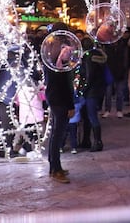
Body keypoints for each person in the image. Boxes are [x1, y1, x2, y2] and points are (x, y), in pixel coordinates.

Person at [43, 24, 76, 183]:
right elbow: (64, 83)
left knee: (56, 133)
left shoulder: (50, 49)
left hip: (53, 95)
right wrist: (70, 105)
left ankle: (55, 167)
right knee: (58, 134)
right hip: (60, 98)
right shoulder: (61, 53)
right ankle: (55, 169)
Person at [102, 34, 128, 118]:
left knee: (119, 93)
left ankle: (119, 110)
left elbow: (125, 59)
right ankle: (107, 110)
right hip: (109, 72)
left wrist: (124, 69)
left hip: (120, 72)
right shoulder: (107, 47)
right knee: (108, 93)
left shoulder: (123, 46)